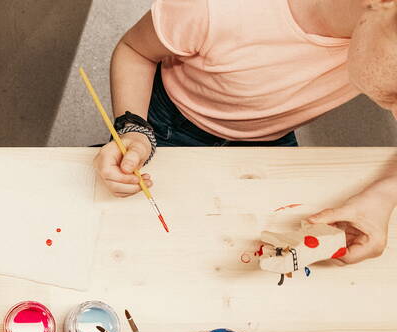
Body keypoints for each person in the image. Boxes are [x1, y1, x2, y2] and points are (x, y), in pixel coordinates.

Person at [95, 0, 397, 264]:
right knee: (125, 227)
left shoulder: (380, 33)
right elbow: (135, 51)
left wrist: (383, 196)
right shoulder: (214, 9)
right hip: (172, 120)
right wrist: (133, 130)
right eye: (391, 95)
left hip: (269, 138)